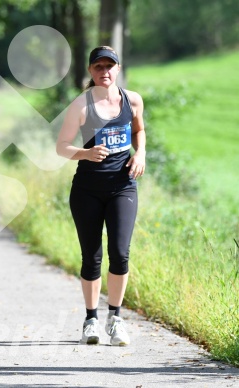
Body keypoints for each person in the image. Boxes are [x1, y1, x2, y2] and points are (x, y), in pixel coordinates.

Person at [56, 46, 146, 346]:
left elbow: (139, 130)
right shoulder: (81, 106)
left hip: (123, 185)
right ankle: (91, 319)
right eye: (98, 66)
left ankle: (116, 318)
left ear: (118, 69)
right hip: (87, 190)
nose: (104, 71)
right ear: (90, 71)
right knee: (91, 256)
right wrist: (86, 152)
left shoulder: (131, 100)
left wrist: (141, 153)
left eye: (110, 65)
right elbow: (62, 147)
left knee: (120, 253)